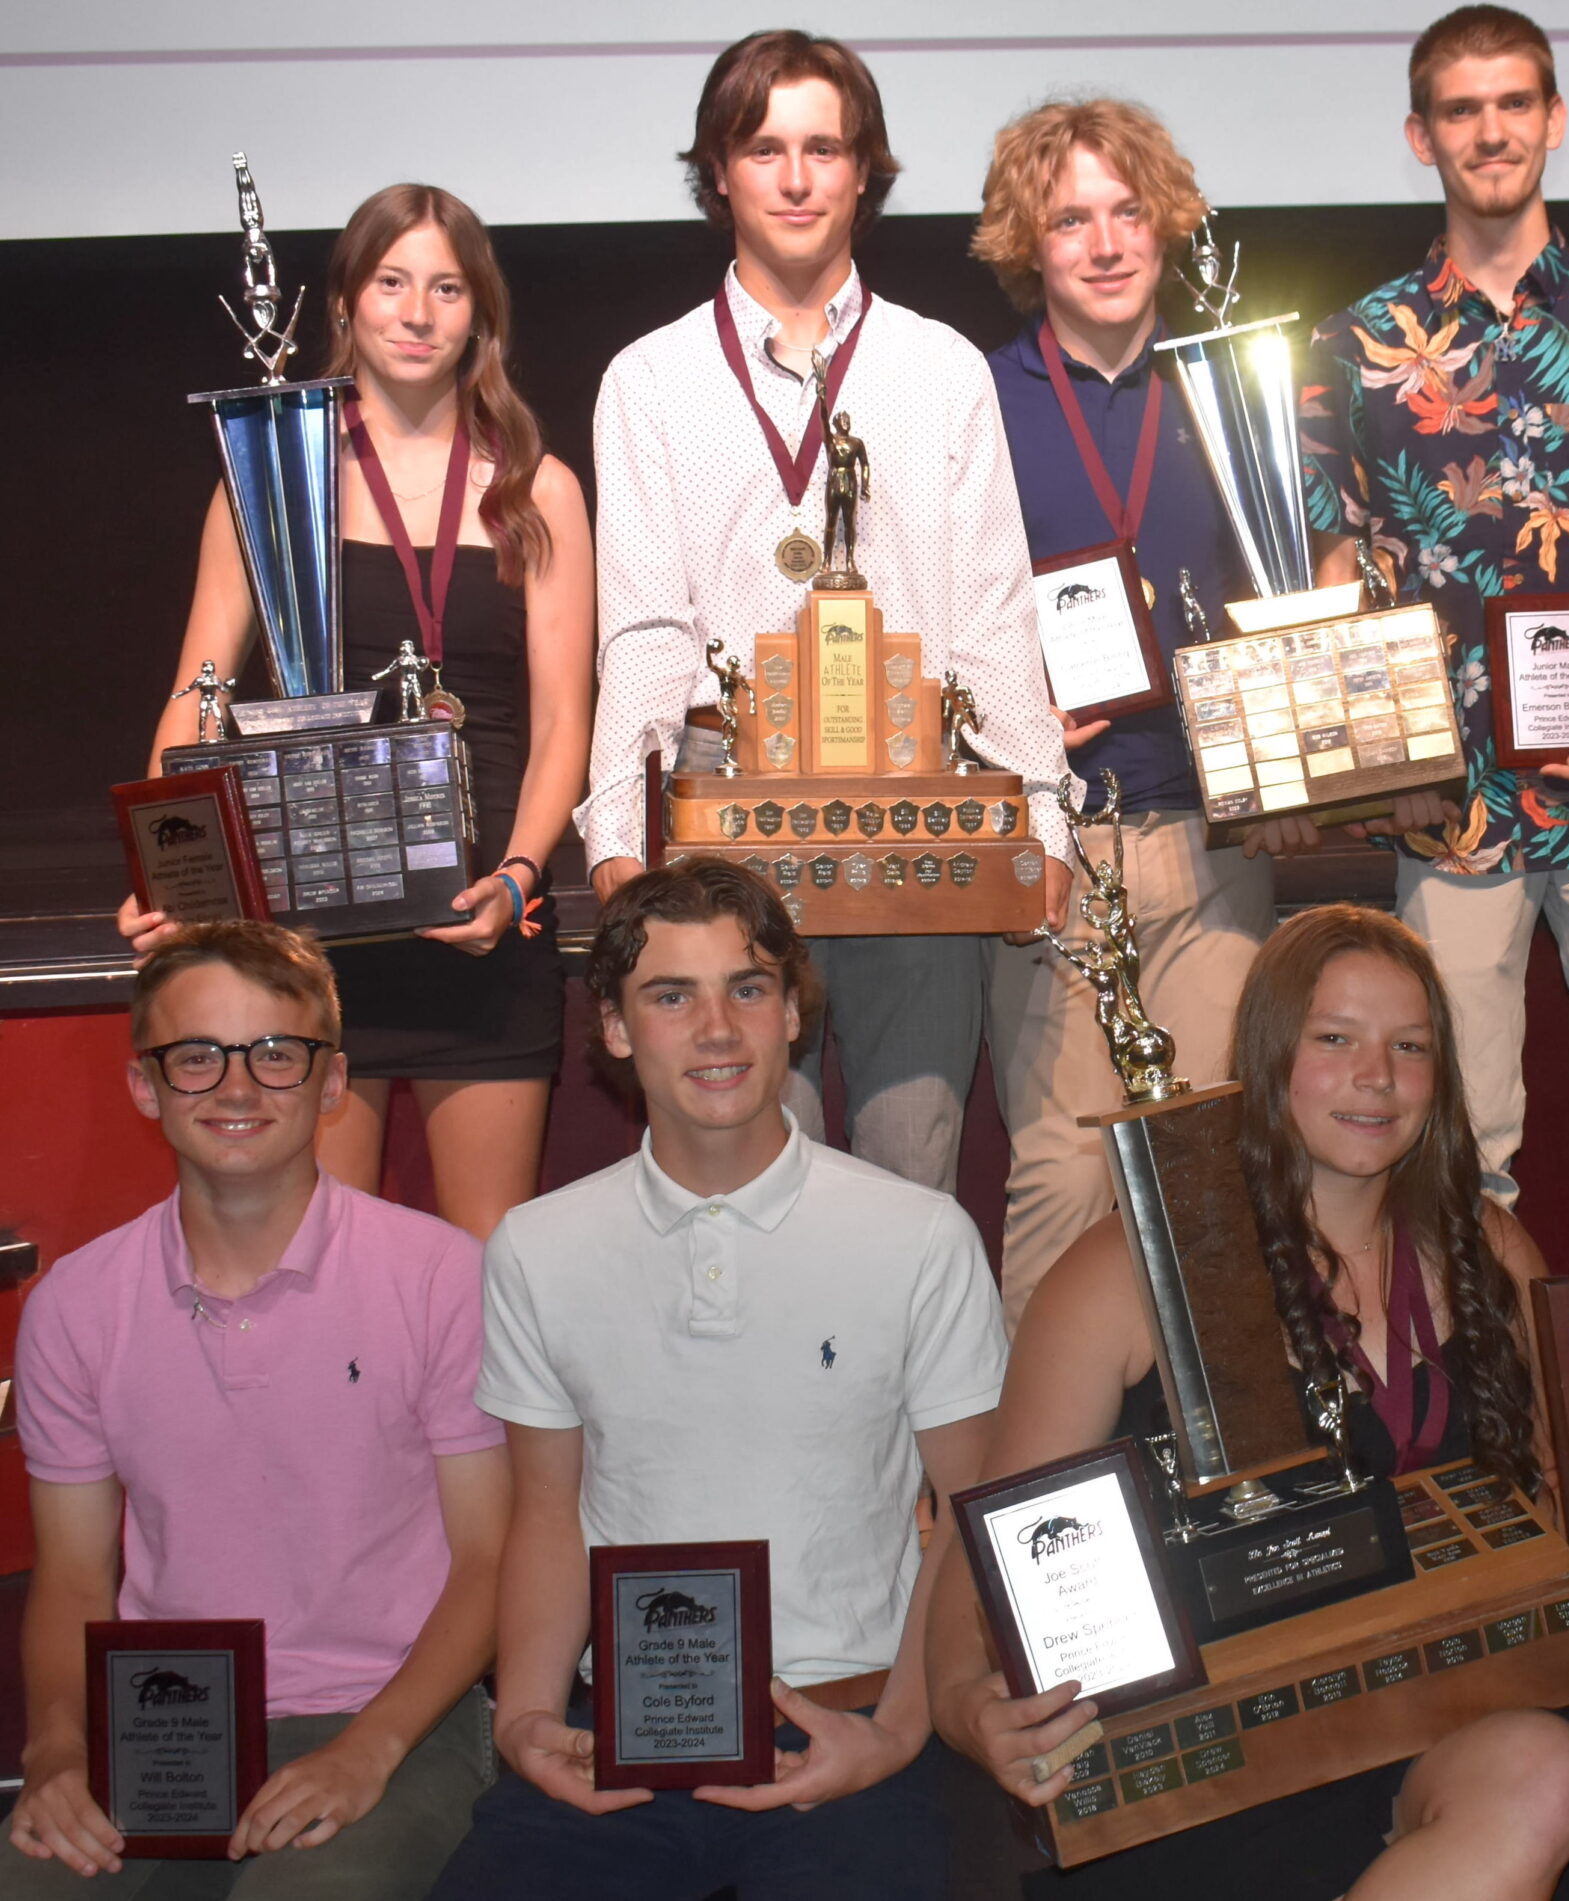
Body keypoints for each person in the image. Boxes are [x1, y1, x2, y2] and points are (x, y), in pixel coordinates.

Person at [930, 903, 1569, 1901]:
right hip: (1227, 1760)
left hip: (1453, 1717)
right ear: (1268, 1055)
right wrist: (963, 1705)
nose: (1374, 1075)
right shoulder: (1121, 1275)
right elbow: (979, 1566)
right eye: (1334, 1039)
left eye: (1408, 1046)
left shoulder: (1492, 1251)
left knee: (1549, 1772)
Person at [429, 858, 1006, 1900]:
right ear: (612, 1026)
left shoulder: (920, 1235)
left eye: (746, 987)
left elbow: (971, 1511)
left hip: (855, 1722)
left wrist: (901, 1729)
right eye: (669, 994)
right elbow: (549, 1515)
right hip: (623, 1735)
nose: (715, 1027)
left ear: (792, 1012)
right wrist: (524, 1717)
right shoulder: (536, 1247)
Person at [575, 28, 1075, 1193]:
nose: (796, 177)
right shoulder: (647, 379)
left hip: (915, 801)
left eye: (823, 148)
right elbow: (643, 632)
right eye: (763, 149)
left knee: (912, 1180)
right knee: (747, 1180)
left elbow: (992, 619)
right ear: (718, 175)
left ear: (865, 173)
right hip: (726, 812)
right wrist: (613, 837)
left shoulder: (940, 368)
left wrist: (1042, 825)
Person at [1297, 5, 1569, 1272]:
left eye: (1514, 103)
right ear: (1421, 135)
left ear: (1554, 119)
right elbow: (1336, 574)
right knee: (1458, 1152)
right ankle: (1479, 1433)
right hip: (1453, 808)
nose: (1492, 131)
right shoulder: (1356, 348)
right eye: (1463, 110)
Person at [122, 185, 594, 1242]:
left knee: (489, 1266)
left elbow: (566, 722)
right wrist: (166, 869)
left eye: (446, 286)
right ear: (347, 299)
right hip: (310, 932)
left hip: (480, 919)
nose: (418, 311)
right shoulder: (272, 473)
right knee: (317, 1259)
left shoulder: (536, 488)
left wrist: (516, 883)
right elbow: (198, 693)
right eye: (392, 282)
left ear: (481, 314)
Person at [7, 921, 509, 1896]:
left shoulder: (443, 1276)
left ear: (331, 1082)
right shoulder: (75, 1301)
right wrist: (59, 1751)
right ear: (143, 1085)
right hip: (161, 1719)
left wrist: (371, 1748)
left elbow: (491, 1557)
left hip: (397, 1710)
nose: (238, 1088)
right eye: (196, 1056)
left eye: (276, 1053)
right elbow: (71, 1576)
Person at [972, 97, 1272, 1328]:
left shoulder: (1236, 390)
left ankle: (1220, 1489)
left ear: (1167, 224)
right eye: (1070, 219)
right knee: (1060, 1172)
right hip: (1052, 851)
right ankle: (1021, 1496)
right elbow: (929, 619)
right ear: (1025, 244)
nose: (1104, 243)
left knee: (1213, 1176)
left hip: (1214, 846)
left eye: (1127, 211)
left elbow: (1292, 598)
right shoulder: (974, 401)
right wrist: (1006, 705)